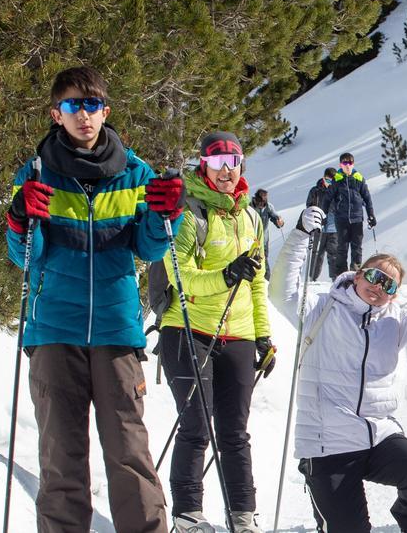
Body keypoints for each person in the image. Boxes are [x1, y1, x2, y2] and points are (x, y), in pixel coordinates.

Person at [5, 66, 179, 532]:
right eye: (72, 105)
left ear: (105, 111)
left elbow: (149, 248)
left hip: (115, 331)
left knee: (129, 454)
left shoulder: (135, 173)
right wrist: (20, 218)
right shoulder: (35, 174)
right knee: (61, 458)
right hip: (54, 330)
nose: (83, 115)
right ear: (56, 114)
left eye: (91, 105)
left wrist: (167, 214)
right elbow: (26, 256)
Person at [269, 205, 407, 533]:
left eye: (389, 286)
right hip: (328, 444)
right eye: (374, 276)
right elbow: (280, 292)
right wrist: (300, 235)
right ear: (357, 275)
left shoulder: (395, 320)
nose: (379, 287)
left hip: (377, 436)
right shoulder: (320, 309)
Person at [156, 131, 273, 532]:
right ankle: (188, 514)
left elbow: (257, 284)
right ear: (203, 166)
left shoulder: (251, 218)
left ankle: (243, 515)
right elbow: (181, 275)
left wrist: (263, 336)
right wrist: (225, 275)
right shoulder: (189, 214)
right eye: (217, 163)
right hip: (188, 329)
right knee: (196, 425)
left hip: (238, 334)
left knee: (235, 433)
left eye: (233, 162)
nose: (226, 171)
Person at [329, 152, 376, 274]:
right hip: (341, 219)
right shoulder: (337, 180)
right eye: (345, 163)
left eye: (350, 163)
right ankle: (341, 274)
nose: (347, 165)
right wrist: (323, 215)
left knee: (357, 247)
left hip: (357, 218)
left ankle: (355, 272)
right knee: (342, 247)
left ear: (353, 164)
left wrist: (371, 215)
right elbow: (328, 198)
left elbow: (367, 198)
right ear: (340, 165)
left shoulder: (359, 178)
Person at [304, 167, 339, 281]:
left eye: (332, 181)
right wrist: (318, 216)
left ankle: (335, 279)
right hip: (318, 228)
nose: (330, 183)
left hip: (333, 228)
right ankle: (312, 278)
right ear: (324, 178)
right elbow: (309, 206)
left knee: (333, 254)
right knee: (316, 253)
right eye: (327, 180)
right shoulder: (315, 191)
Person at [252, 188, 284, 279]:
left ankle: (266, 280)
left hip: (264, 239)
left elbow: (275, 217)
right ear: (255, 199)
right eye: (259, 203)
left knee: (264, 258)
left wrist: (279, 222)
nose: (261, 205)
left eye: (263, 203)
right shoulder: (250, 207)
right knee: (252, 258)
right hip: (252, 238)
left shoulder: (268, 207)